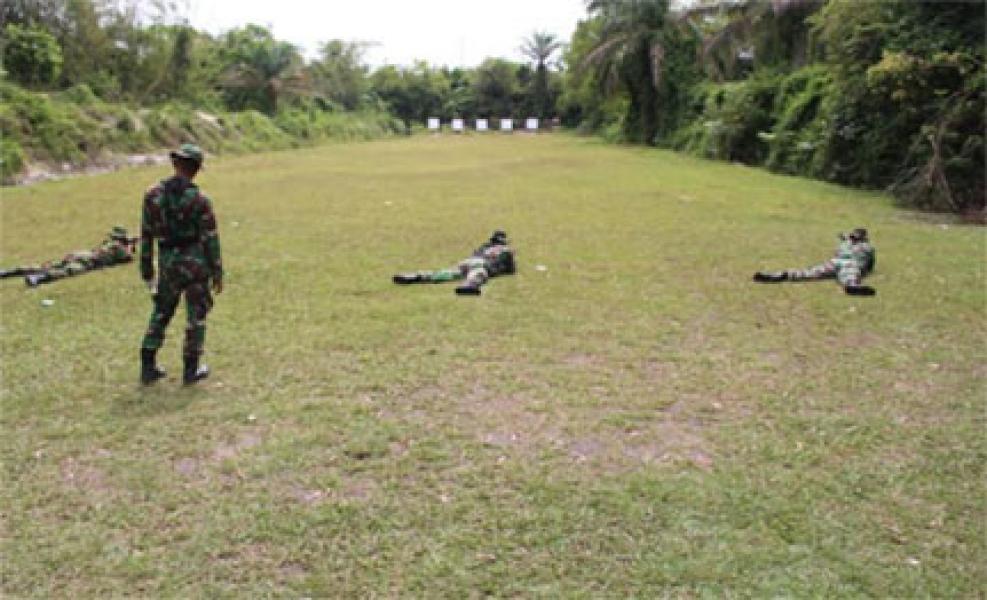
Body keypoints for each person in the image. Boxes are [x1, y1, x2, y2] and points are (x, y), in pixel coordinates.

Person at [139, 143, 223, 385]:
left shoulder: (152, 195)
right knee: (196, 316)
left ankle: (148, 364)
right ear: (196, 169)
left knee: (161, 312)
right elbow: (210, 238)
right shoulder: (200, 200)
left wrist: (147, 268)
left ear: (175, 164)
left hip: (167, 262)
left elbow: (146, 235)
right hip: (195, 263)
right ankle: (191, 368)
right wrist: (217, 270)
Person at [753, 228, 876, 296]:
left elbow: (869, 263)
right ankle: (852, 286)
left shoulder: (855, 245)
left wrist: (846, 238)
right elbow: (869, 265)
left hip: (843, 262)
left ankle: (852, 287)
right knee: (843, 274)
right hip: (843, 262)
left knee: (845, 274)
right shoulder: (859, 245)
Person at [0, 226, 137, 287]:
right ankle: (38, 278)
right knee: (65, 271)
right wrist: (130, 246)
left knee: (46, 266)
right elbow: (128, 258)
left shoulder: (108, 243)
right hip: (88, 261)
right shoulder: (118, 247)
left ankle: (10, 272)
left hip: (80, 254)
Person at [392, 230, 516, 296]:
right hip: (479, 264)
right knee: (478, 272)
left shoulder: (483, 248)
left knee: (450, 273)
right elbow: (511, 270)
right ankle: (470, 285)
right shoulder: (504, 251)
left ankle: (416, 276)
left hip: (468, 263)